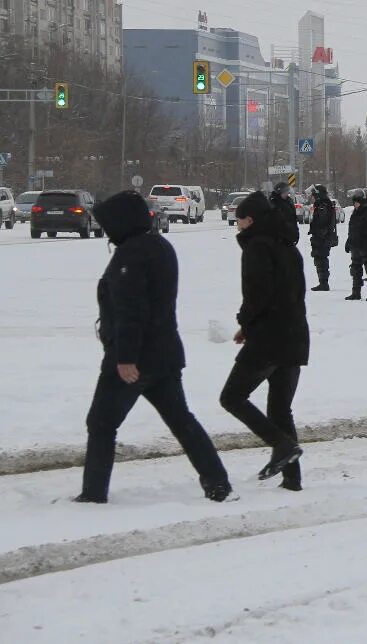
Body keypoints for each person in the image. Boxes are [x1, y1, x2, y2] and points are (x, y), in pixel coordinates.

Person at [77, 190, 231, 504]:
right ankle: (218, 483)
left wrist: (126, 358)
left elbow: (132, 312)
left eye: (108, 223)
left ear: (121, 222)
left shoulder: (130, 256)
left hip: (135, 360)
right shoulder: (160, 246)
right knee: (181, 420)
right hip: (165, 355)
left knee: (101, 422)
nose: (105, 230)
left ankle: (93, 495)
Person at [221, 191, 308, 490]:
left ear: (252, 219)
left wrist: (246, 322)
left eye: (240, 221)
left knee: (232, 397)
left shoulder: (257, 247)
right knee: (281, 409)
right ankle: (292, 478)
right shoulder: (288, 245)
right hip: (295, 335)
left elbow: (258, 294)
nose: (238, 227)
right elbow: (292, 294)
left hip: (269, 338)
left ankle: (281, 445)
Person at [306, 184, 338, 291]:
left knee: (321, 259)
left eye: (314, 195)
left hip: (322, 238)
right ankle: (322, 282)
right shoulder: (322, 204)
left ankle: (323, 283)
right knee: (319, 258)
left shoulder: (323, 205)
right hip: (321, 237)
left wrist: (319, 233)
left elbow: (322, 222)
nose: (312, 197)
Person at [270, 181, 300, 246]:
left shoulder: (289, 201)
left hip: (290, 238)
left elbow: (293, 219)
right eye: (285, 192)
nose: (287, 193)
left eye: (287, 191)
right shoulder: (273, 203)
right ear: (279, 192)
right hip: (279, 240)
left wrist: (296, 234)